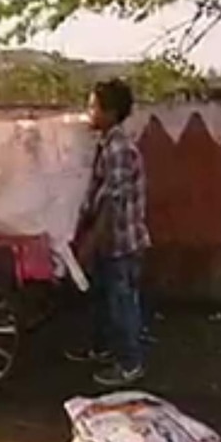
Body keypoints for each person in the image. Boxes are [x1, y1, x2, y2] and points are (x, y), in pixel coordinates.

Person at [67, 79, 152, 387]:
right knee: (103, 301)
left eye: (93, 107)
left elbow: (112, 203)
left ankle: (130, 364)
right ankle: (102, 350)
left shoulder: (118, 150)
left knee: (121, 305)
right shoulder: (107, 144)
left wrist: (90, 245)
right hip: (112, 242)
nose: (89, 113)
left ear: (111, 112)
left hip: (120, 243)